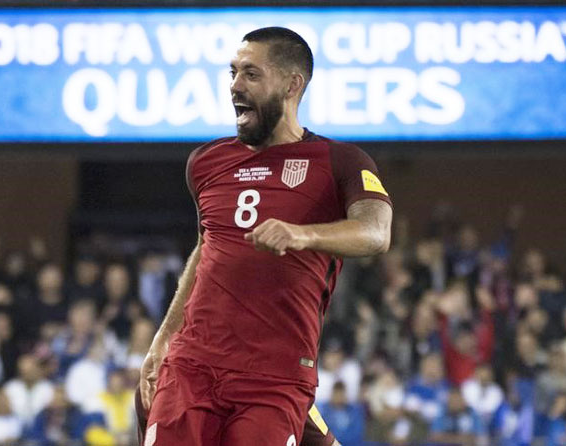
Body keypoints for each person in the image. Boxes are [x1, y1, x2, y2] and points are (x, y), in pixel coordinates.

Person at [139, 26, 392, 446]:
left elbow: (375, 231)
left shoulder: (340, 161)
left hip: (273, 374)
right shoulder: (206, 162)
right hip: (194, 364)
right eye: (233, 72)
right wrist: (165, 335)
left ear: (293, 85)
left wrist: (302, 234)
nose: (235, 85)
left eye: (251, 74)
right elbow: (207, 248)